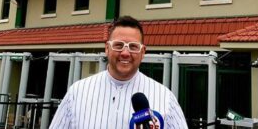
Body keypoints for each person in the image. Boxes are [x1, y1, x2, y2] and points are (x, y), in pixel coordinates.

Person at [49, 16, 188, 129]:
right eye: (118, 45)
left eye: (133, 46)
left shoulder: (165, 98)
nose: (125, 53)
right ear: (107, 48)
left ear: (143, 52)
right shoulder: (77, 93)